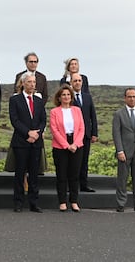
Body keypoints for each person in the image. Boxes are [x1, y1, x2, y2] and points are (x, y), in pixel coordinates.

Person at [9, 72, 46, 213]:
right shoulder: (15, 100)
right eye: (29, 82)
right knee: (20, 173)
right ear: (23, 83)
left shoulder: (38, 100)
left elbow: (43, 120)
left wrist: (37, 133)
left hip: (36, 142)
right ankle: (18, 202)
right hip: (21, 141)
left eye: (34, 82)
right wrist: (27, 133)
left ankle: (34, 202)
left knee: (34, 174)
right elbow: (15, 120)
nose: (32, 84)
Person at [50, 84, 85, 212]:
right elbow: (54, 130)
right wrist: (66, 145)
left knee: (74, 174)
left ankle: (74, 201)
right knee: (62, 175)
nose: (66, 97)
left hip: (76, 144)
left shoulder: (77, 110)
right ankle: (62, 201)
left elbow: (81, 128)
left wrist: (75, 144)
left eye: (68, 95)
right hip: (60, 145)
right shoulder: (54, 112)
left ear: (71, 97)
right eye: (63, 95)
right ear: (59, 98)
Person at [71, 73, 98, 192]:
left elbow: (93, 115)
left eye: (79, 80)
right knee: (72, 162)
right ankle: (71, 185)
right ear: (71, 82)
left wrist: (94, 133)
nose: (77, 82)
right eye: (75, 80)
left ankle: (84, 185)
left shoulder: (87, 97)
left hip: (86, 134)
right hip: (73, 134)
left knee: (84, 161)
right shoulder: (68, 97)